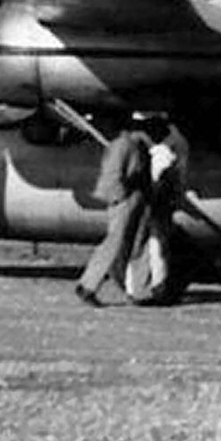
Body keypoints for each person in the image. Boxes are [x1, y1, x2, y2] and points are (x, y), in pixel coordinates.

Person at [74, 113, 155, 307]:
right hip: (126, 196)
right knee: (116, 242)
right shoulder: (124, 145)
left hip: (135, 195)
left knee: (137, 243)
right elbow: (113, 173)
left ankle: (138, 290)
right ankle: (89, 284)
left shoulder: (129, 144)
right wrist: (119, 197)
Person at [124, 117, 189, 306]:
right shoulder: (167, 151)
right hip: (157, 203)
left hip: (145, 201)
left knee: (141, 246)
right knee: (156, 247)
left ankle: (135, 288)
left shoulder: (144, 148)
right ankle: (156, 287)